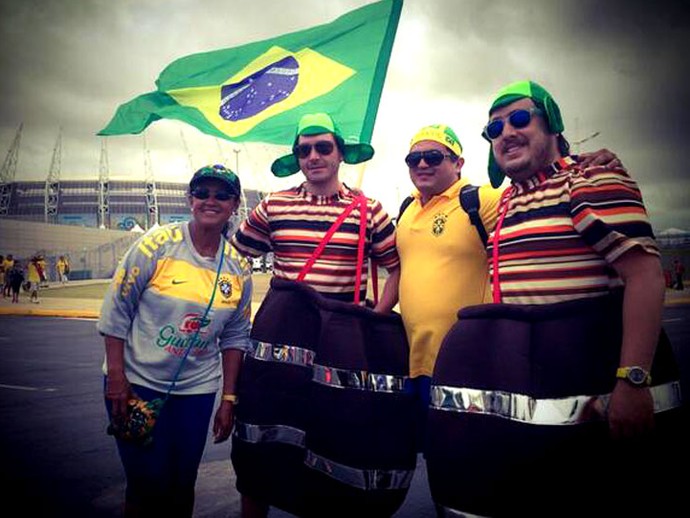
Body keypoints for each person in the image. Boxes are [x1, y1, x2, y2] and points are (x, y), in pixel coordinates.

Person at [425, 80, 683, 517]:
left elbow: (644, 276)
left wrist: (633, 379)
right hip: (531, 398)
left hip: (590, 390)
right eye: (495, 127)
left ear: (553, 125)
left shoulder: (587, 180)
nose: (506, 132)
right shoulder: (506, 202)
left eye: (521, 119)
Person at [395, 124, 624, 443]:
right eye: (413, 158)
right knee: (440, 460)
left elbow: (536, 193)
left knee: (476, 459)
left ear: (458, 163)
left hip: (472, 363)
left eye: (433, 156)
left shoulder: (479, 199)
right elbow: (395, 269)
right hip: (417, 361)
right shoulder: (406, 209)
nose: (422, 164)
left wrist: (578, 164)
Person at [231, 112, 401, 517]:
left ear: (340, 154)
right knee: (262, 439)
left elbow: (396, 267)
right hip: (280, 343)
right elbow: (234, 259)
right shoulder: (274, 205)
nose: (313, 156)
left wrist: (373, 318)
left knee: (335, 443)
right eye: (304, 150)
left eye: (323, 147)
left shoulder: (369, 210)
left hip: (340, 346)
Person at [97, 164, 253, 517]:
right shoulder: (155, 245)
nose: (210, 200)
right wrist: (117, 379)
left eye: (222, 195)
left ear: (234, 204)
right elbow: (116, 312)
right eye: (202, 193)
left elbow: (235, 336)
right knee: (145, 483)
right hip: (136, 384)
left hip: (195, 393)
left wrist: (228, 398)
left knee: (182, 484)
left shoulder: (238, 268)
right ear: (190, 198)